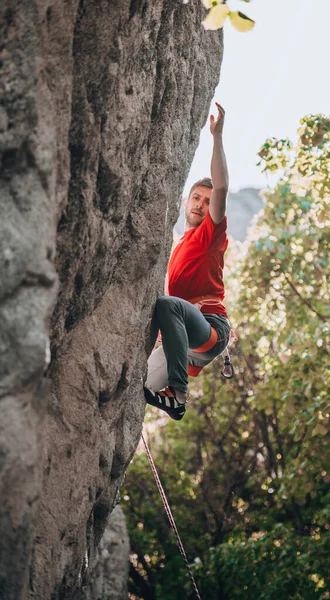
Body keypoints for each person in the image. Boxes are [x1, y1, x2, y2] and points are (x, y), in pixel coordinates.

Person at [144, 102, 230, 420]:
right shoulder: (179, 244)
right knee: (134, 387)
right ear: (186, 201)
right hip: (185, 342)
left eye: (207, 202)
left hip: (209, 328)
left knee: (168, 304)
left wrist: (217, 136)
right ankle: (164, 395)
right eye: (196, 198)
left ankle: (178, 395)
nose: (200, 204)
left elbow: (221, 186)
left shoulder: (211, 234)